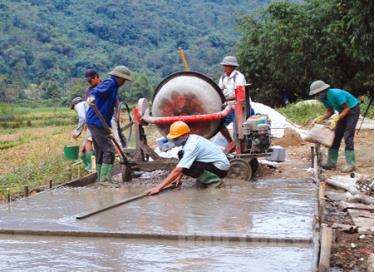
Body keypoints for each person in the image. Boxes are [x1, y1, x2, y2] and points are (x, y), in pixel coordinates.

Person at [146, 121, 230, 195]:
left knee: (185, 168)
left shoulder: (191, 146)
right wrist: (178, 178)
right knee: (181, 154)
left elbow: (178, 169)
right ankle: (206, 178)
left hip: (220, 169)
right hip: (214, 164)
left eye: (176, 138)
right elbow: (184, 161)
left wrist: (158, 188)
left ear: (185, 135)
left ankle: (215, 182)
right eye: (173, 139)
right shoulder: (190, 139)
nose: (174, 141)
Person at [86, 65, 132, 182]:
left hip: (97, 121)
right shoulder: (110, 83)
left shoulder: (114, 87)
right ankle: (105, 180)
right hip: (96, 121)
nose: (124, 83)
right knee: (109, 150)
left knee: (101, 150)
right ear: (120, 78)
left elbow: (113, 102)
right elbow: (96, 91)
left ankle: (100, 178)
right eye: (124, 80)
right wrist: (91, 97)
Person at [309, 80, 360, 172]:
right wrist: (320, 118)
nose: (317, 96)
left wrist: (336, 119)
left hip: (352, 110)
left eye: (318, 93)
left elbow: (347, 109)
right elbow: (330, 111)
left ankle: (351, 164)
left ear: (323, 90)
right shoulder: (324, 98)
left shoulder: (337, 94)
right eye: (316, 94)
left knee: (348, 135)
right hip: (342, 112)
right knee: (336, 136)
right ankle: (331, 163)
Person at [218, 56, 254, 148]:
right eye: (224, 66)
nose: (224, 68)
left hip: (241, 106)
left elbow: (240, 94)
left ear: (232, 67)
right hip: (230, 107)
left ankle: (240, 148)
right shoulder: (223, 77)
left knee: (238, 130)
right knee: (218, 124)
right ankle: (231, 143)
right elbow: (219, 90)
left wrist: (225, 98)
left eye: (226, 66)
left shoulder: (238, 77)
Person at [70, 97, 94, 171]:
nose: (75, 111)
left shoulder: (79, 105)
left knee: (87, 143)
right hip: (96, 123)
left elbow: (83, 118)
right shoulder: (86, 104)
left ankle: (92, 167)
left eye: (74, 110)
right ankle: (90, 166)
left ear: (74, 105)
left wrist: (77, 133)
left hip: (94, 124)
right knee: (84, 148)